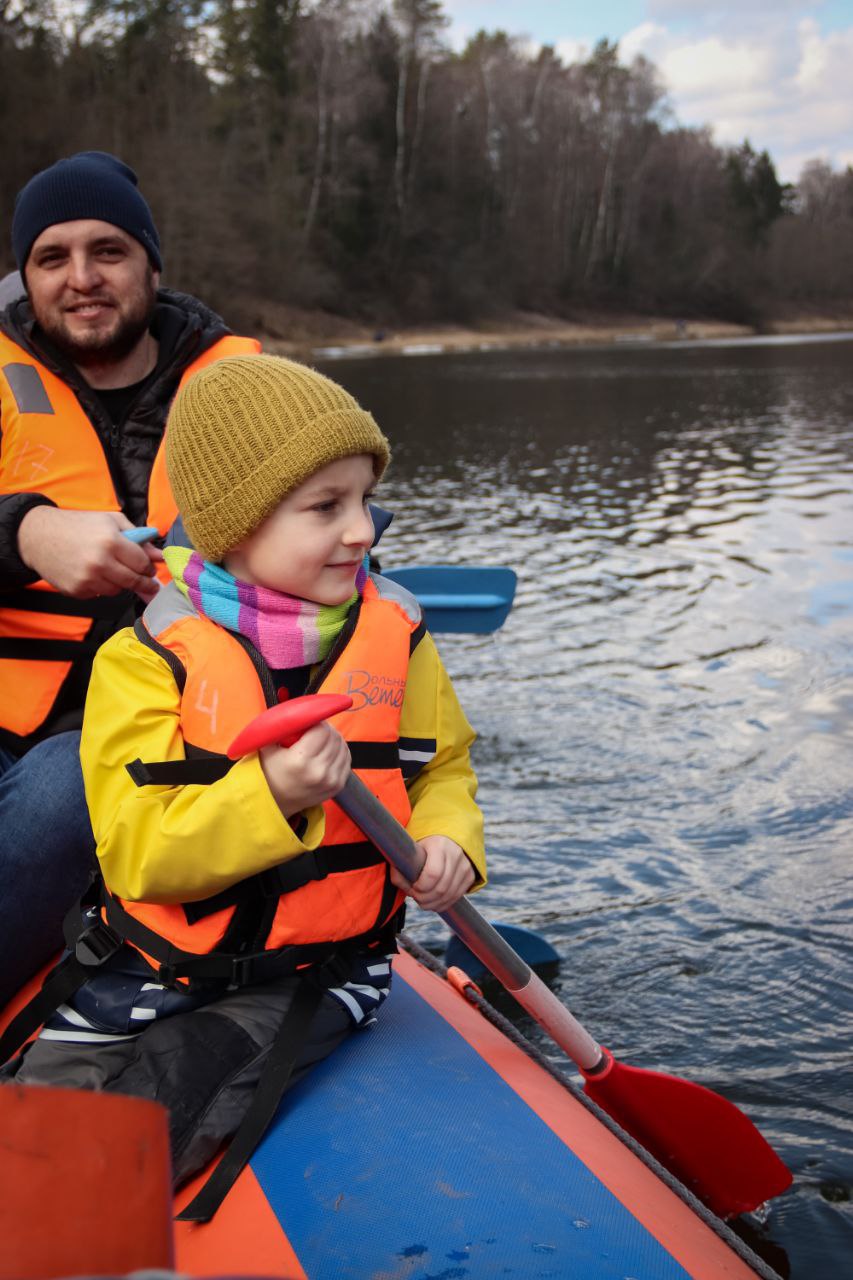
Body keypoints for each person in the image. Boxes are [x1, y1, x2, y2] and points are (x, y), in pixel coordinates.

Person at [1, 354, 486, 1221]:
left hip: (317, 968)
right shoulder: (145, 658)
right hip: (156, 963)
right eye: (325, 508)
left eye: (364, 500)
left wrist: (451, 843)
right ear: (235, 527)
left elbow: (441, 769)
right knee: (35, 1115)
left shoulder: (397, 635)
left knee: (145, 1118)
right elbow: (140, 856)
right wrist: (270, 797)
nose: (364, 531)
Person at [0, 152, 260, 1007]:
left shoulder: (248, 391)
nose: (82, 278)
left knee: (71, 782)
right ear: (25, 275)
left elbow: (332, 541)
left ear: (153, 262)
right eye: (52, 257)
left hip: (176, 724)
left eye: (107, 251)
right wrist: (26, 532)